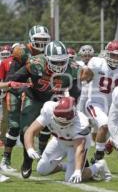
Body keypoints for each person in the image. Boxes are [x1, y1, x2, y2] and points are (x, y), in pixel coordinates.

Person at [7, 40, 81, 178]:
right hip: (33, 97)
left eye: (62, 61)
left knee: (66, 127)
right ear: (46, 59)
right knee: (25, 130)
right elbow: (15, 78)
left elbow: (76, 92)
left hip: (54, 100)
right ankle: (27, 159)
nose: (59, 65)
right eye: (55, 61)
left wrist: (70, 104)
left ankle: (81, 162)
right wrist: (14, 84)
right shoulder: (35, 64)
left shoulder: (73, 68)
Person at [24, 96, 111, 183]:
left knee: (71, 179)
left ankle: (99, 166)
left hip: (74, 145)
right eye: (58, 121)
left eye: (63, 123)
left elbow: (79, 149)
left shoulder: (81, 123)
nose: (60, 124)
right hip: (58, 140)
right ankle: (66, 167)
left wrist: (77, 171)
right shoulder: (48, 109)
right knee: (41, 169)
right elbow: (30, 131)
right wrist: (30, 149)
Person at [0, 25, 51, 172]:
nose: (41, 43)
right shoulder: (22, 52)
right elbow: (12, 78)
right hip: (17, 89)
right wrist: (22, 85)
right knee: (15, 126)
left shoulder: (49, 51)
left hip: (37, 90)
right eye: (38, 39)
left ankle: (41, 154)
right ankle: (6, 159)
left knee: (46, 124)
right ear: (31, 39)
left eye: (44, 40)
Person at [80, 40, 118, 174]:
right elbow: (84, 78)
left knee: (115, 133)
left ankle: (95, 159)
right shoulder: (97, 63)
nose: (115, 59)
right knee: (104, 125)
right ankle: (98, 156)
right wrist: (86, 73)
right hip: (95, 102)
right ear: (106, 53)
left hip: (113, 106)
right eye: (113, 55)